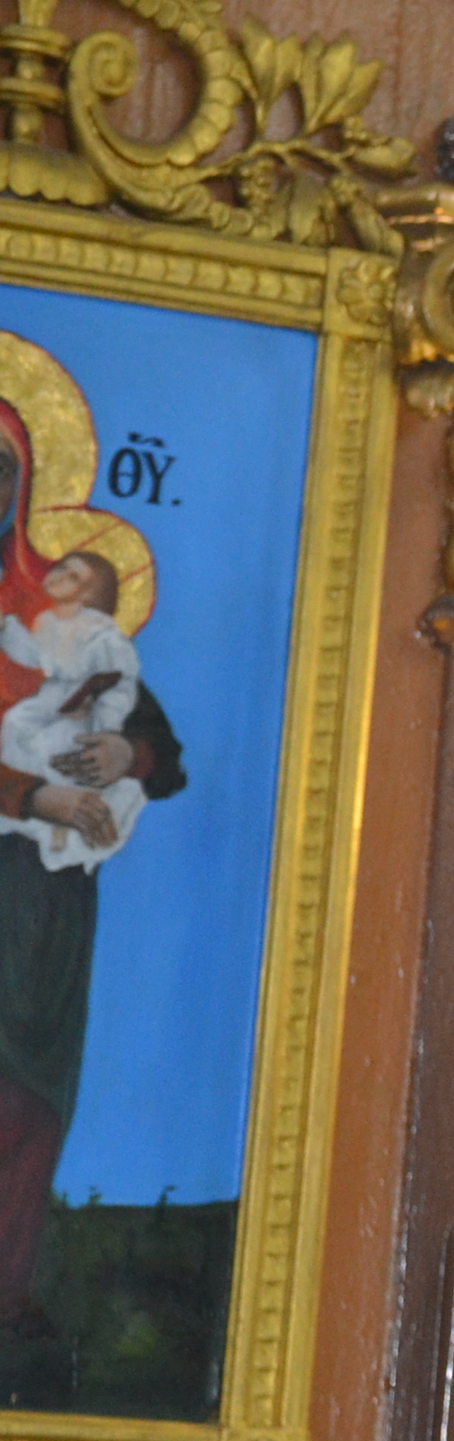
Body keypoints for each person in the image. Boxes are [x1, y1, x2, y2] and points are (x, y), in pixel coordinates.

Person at [0, 393, 179, 1351]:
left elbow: (161, 748)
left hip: (45, 894)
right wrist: (34, 796)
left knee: (29, 1091)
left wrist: (124, 756)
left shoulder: (59, 615)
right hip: (25, 837)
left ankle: (6, 1294)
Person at [0, 549, 139, 871]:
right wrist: (6, 628)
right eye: (61, 568)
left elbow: (118, 684)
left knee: (66, 750)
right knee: (17, 724)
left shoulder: (101, 633)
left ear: (91, 595)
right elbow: (35, 656)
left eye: (73, 577)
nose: (59, 577)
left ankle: (61, 828)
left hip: (82, 707)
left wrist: (107, 731)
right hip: (51, 698)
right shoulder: (47, 622)